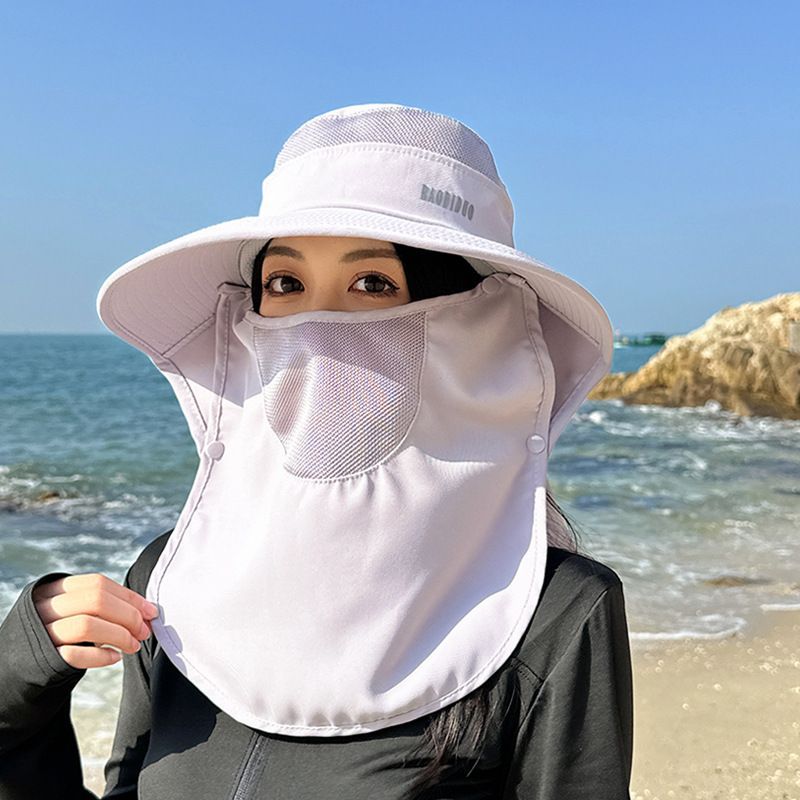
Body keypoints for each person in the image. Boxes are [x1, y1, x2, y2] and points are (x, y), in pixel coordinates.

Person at [0, 103, 633, 799]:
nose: (315, 322)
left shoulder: (557, 614)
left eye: (373, 283)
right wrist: (20, 681)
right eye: (284, 284)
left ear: (475, 321)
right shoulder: (174, 578)